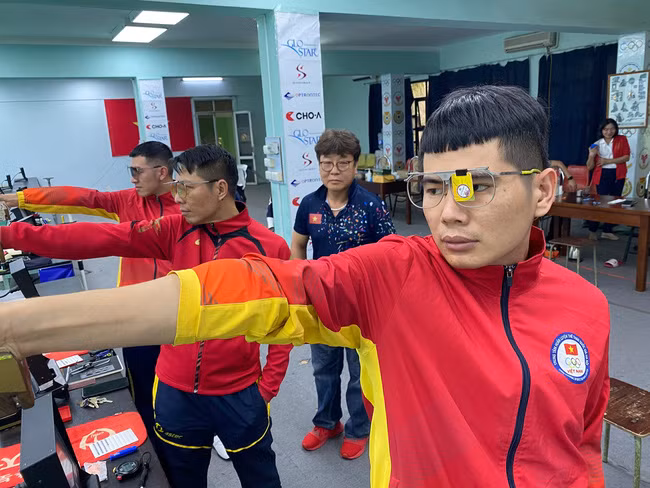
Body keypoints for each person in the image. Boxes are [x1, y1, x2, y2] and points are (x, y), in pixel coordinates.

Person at [1, 86, 610, 487]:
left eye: (475, 185)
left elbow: (581, 442)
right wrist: (15, 326)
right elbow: (243, 289)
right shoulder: (396, 275)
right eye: (430, 187)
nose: (448, 211)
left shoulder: (586, 305)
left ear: (543, 190)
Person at [1, 145, 291, 488]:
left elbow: (285, 326)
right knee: (180, 479)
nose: (178, 197)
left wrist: (267, 388)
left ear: (220, 188)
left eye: (187, 188)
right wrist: (9, 235)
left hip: (239, 391)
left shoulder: (269, 247)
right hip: (175, 391)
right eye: (176, 187)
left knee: (261, 479)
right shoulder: (174, 230)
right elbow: (97, 237)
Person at [0, 141, 176, 444]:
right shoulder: (128, 201)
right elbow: (80, 197)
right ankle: (152, 438)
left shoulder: (189, 206)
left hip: (180, 311)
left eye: (137, 171)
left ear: (162, 172)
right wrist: (17, 198)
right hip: (136, 316)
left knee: (191, 384)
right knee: (144, 388)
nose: (132, 177)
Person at [291, 129, 395, 459]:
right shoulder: (310, 204)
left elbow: (390, 253)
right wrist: (299, 284)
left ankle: (358, 428)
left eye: (342, 163)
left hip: (361, 305)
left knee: (358, 372)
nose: (334, 171)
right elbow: (298, 244)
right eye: (327, 163)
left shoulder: (371, 206)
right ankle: (326, 422)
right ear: (319, 164)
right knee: (323, 368)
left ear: (354, 165)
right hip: (321, 301)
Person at [586, 118, 631, 240]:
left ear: (616, 129)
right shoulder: (596, 144)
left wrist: (607, 161)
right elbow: (589, 167)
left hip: (618, 174)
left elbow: (626, 157)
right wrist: (591, 156)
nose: (609, 132)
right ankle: (592, 230)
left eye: (612, 129)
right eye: (606, 129)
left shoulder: (622, 139)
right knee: (599, 203)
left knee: (615, 203)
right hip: (602, 175)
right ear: (602, 130)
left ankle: (607, 230)